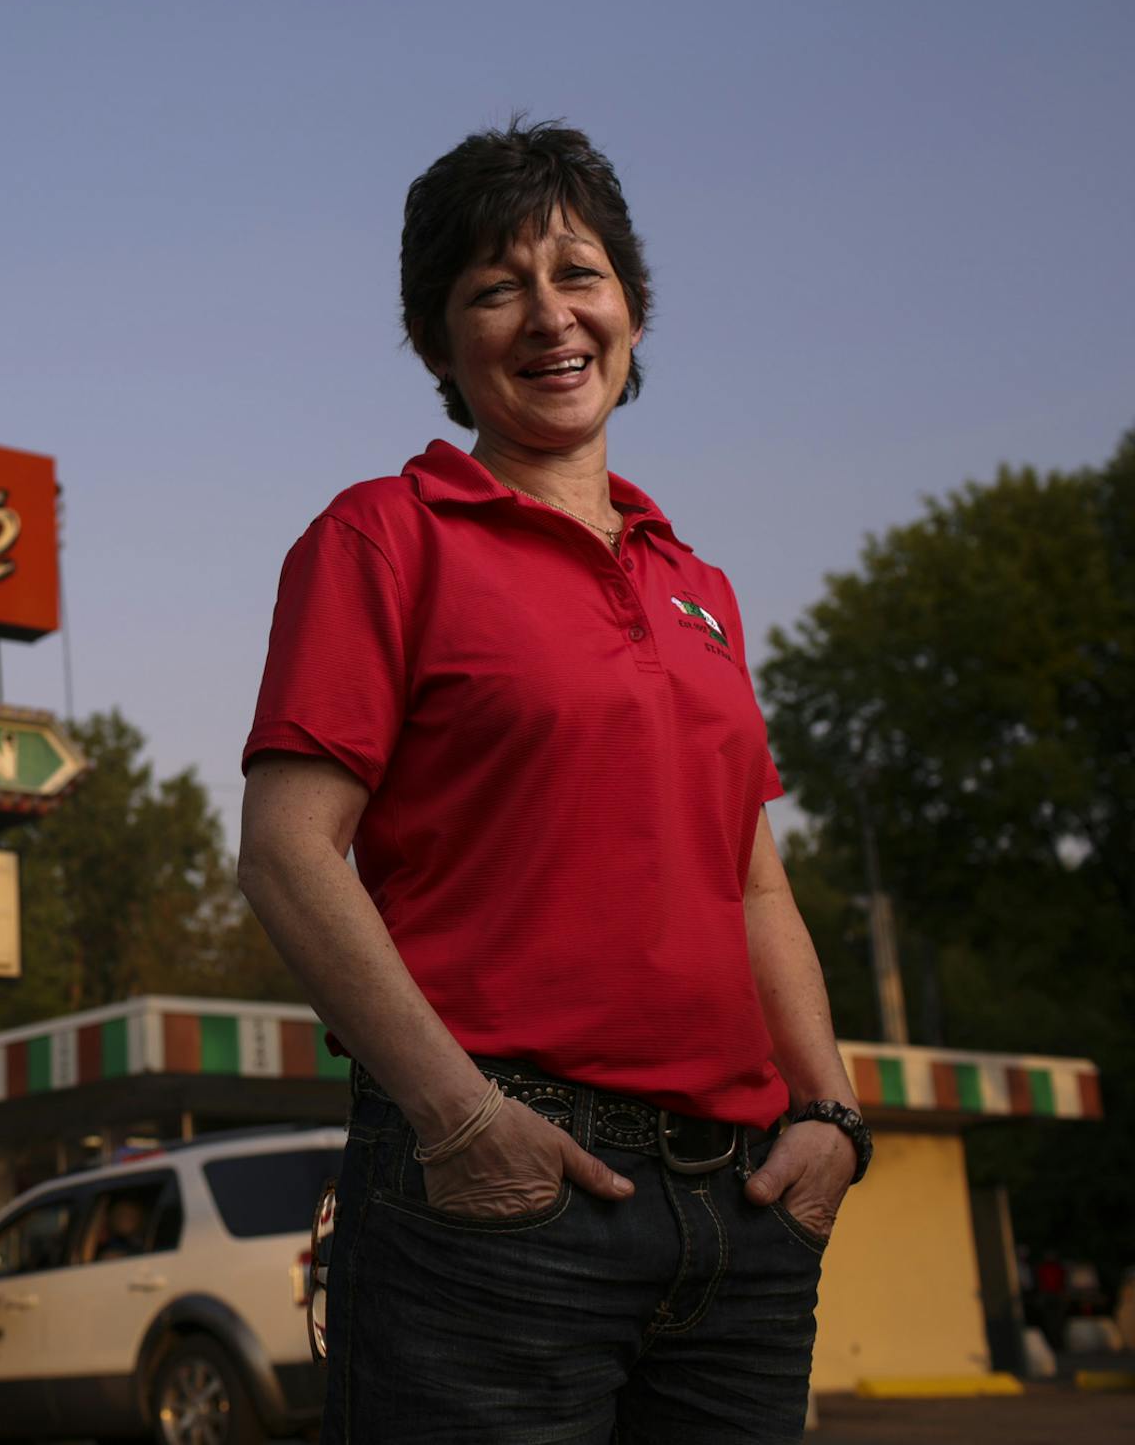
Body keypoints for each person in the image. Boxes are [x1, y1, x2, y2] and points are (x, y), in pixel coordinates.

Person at [236, 118, 872, 1443]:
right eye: (493, 288)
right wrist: (461, 1124)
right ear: (438, 345)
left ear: (629, 306)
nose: (548, 315)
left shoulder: (699, 588)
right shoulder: (382, 536)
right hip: (501, 1209)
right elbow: (289, 852)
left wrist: (833, 1120)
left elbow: (752, 879)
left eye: (577, 273)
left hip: (745, 1222)